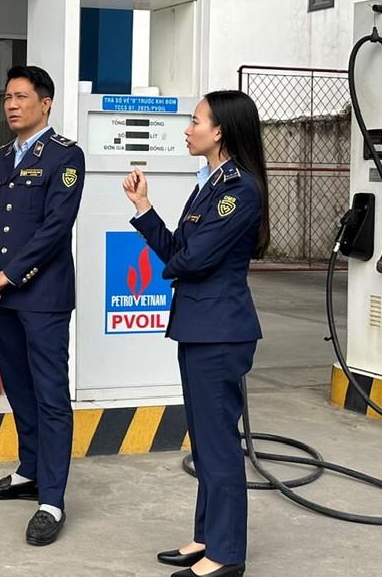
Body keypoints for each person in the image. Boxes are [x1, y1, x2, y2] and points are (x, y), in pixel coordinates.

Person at [122, 90, 269, 577]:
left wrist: (181, 259)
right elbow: (178, 250)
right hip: (201, 326)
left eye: (196, 120)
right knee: (205, 441)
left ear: (220, 130)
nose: (188, 129)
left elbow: (191, 258)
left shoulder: (239, 190)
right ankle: (207, 537)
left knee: (219, 442)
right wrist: (144, 208)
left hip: (221, 331)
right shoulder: (208, 184)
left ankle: (226, 555)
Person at [0, 65, 85, 546]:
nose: (12, 105)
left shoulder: (66, 156)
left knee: (51, 396)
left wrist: (10, 273)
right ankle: (29, 472)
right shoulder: (4, 156)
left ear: (46, 103)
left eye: (21, 97)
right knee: (18, 388)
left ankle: (52, 500)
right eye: (7, 97)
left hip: (41, 296)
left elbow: (55, 229)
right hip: (3, 293)